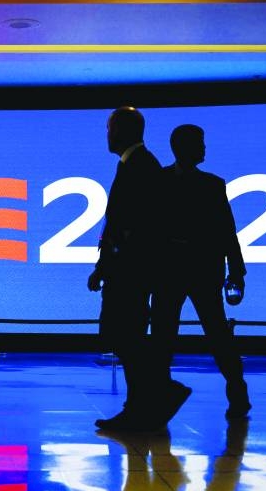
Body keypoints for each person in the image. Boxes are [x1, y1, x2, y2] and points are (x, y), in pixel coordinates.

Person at [88, 106, 190, 431]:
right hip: (128, 269)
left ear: (122, 130)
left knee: (124, 335)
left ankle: (156, 394)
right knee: (125, 335)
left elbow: (134, 226)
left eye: (110, 128)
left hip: (131, 271)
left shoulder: (140, 166)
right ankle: (142, 404)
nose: (107, 135)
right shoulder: (136, 164)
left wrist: (110, 264)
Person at [153, 123, 252, 420]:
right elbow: (227, 233)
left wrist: (236, 270)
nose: (204, 148)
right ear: (184, 147)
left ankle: (235, 390)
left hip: (184, 271)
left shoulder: (171, 182)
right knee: (172, 334)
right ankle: (235, 392)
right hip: (189, 270)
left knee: (208, 332)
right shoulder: (207, 185)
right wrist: (236, 271)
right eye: (200, 143)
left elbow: (227, 231)